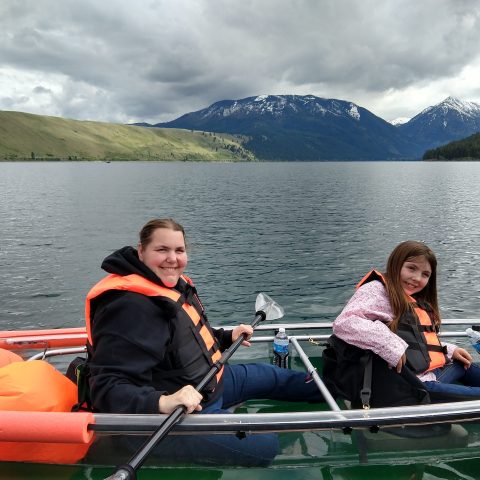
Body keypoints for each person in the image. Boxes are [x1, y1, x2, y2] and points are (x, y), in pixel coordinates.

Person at [85, 218, 323, 467]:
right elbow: (106, 388)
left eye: (179, 250)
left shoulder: (169, 285)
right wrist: (164, 401)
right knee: (266, 445)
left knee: (272, 376)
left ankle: (342, 390)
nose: (172, 258)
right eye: (162, 250)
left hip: (207, 384)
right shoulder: (128, 306)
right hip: (176, 416)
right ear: (141, 251)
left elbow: (187, 339)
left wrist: (225, 337)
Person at [333, 240, 480, 399]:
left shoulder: (411, 297)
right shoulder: (376, 290)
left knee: (464, 364)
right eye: (411, 268)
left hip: (427, 374)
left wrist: (448, 350)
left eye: (425, 274)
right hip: (411, 386)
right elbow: (345, 322)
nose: (417, 278)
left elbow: (412, 340)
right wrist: (389, 344)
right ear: (396, 264)